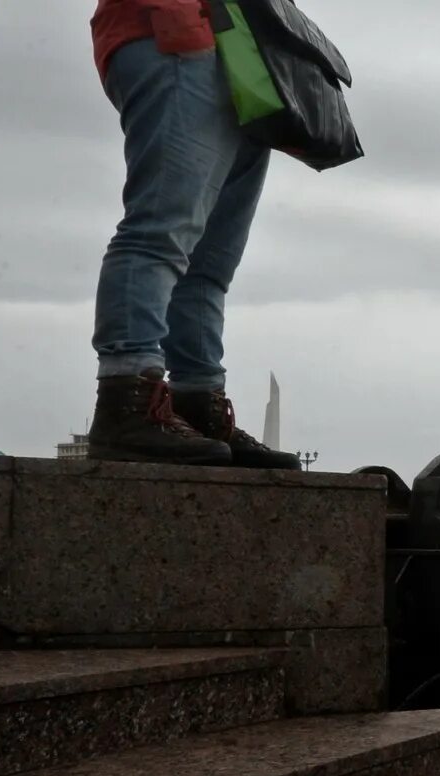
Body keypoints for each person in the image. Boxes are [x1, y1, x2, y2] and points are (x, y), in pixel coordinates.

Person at [88, 0, 299, 468]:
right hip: (174, 32)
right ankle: (128, 398)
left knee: (210, 261)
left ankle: (196, 401)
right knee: (159, 232)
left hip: (242, 53)